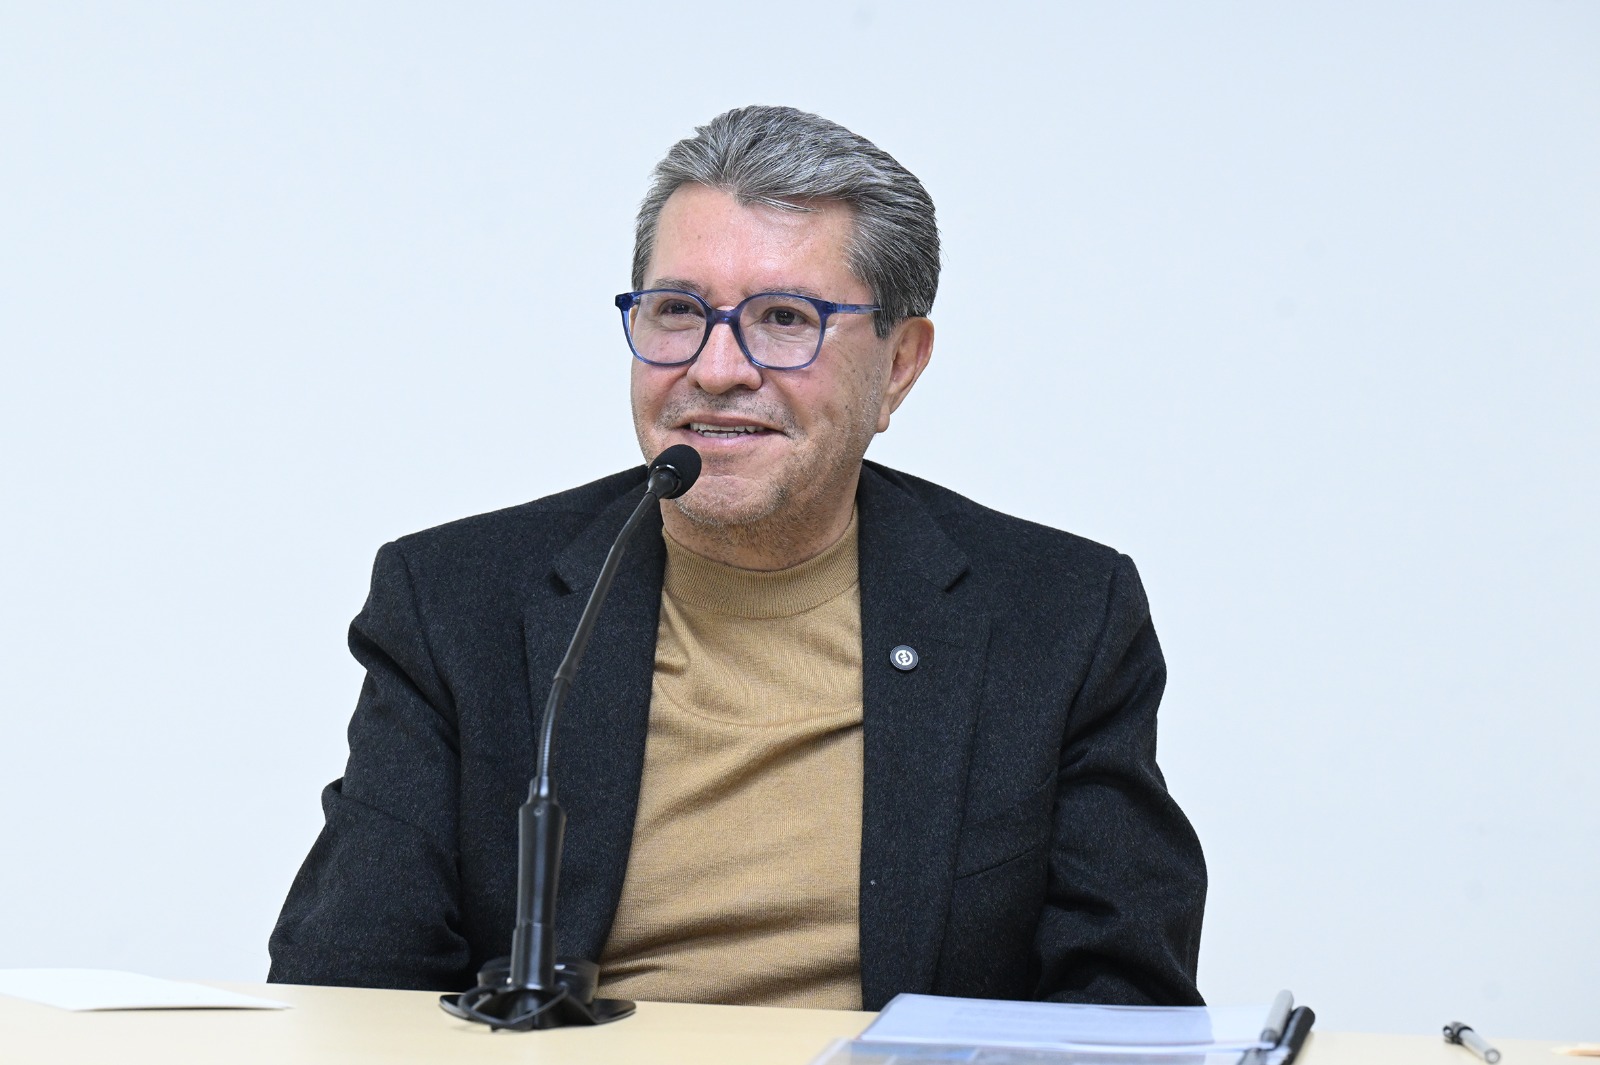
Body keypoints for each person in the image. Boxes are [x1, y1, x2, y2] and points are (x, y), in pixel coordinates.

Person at [268, 105, 1206, 1011]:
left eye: (785, 318)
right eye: (679, 311)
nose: (716, 369)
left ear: (900, 365)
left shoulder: (1060, 617)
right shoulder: (453, 600)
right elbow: (348, 986)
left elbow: (1122, 1004)